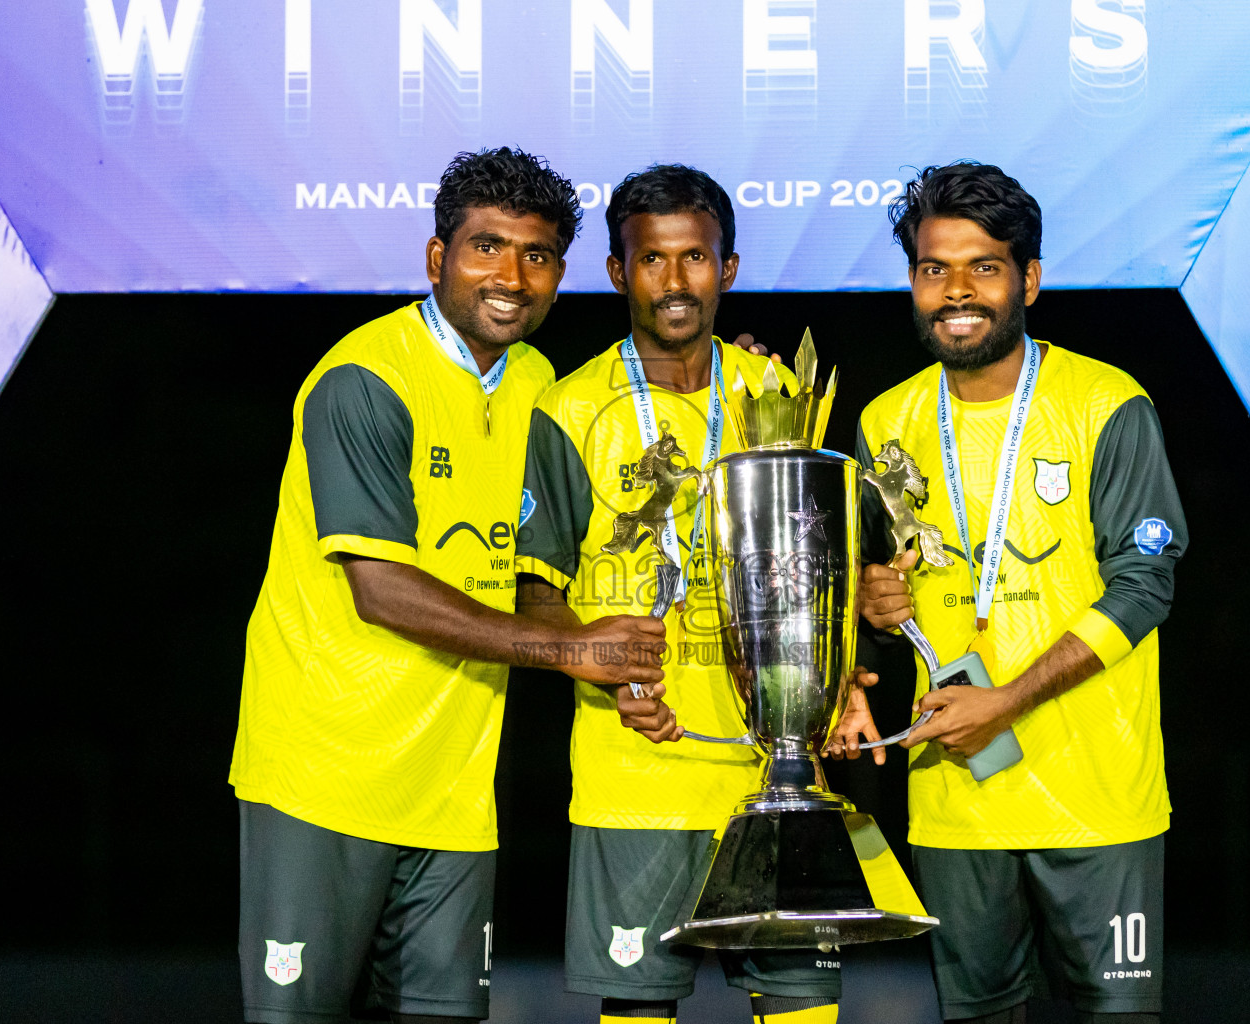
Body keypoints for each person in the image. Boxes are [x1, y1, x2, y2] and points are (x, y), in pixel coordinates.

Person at [228, 147, 668, 1024]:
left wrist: (602, 662)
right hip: (325, 780)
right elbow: (382, 589)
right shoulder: (363, 380)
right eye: (486, 247)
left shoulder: (537, 385)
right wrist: (568, 648)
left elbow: (535, 582)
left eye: (536, 255)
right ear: (438, 259)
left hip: (458, 800)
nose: (510, 276)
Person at [833, 161, 1187, 1023]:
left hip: (1099, 800)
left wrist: (1009, 699)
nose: (956, 291)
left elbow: (1146, 588)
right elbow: (888, 598)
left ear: (1029, 277)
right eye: (932, 269)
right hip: (958, 797)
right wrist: (872, 613)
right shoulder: (887, 421)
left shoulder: (1107, 403)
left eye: (984, 267)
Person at [514, 164, 844, 1024]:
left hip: (767, 773)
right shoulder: (569, 408)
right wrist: (600, 666)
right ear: (620, 272)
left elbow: (823, 579)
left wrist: (841, 690)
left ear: (726, 269)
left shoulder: (778, 397)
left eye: (694, 257)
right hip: (636, 777)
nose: (675, 279)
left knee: (804, 1003)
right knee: (637, 1007)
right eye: (652, 260)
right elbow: (534, 594)